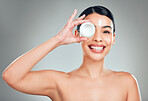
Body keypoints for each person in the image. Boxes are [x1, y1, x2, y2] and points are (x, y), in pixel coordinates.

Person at [2, 5, 141, 101]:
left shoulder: (127, 82)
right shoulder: (59, 82)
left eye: (106, 31)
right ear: (77, 33)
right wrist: (58, 40)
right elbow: (11, 76)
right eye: (90, 29)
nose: (98, 38)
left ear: (113, 38)